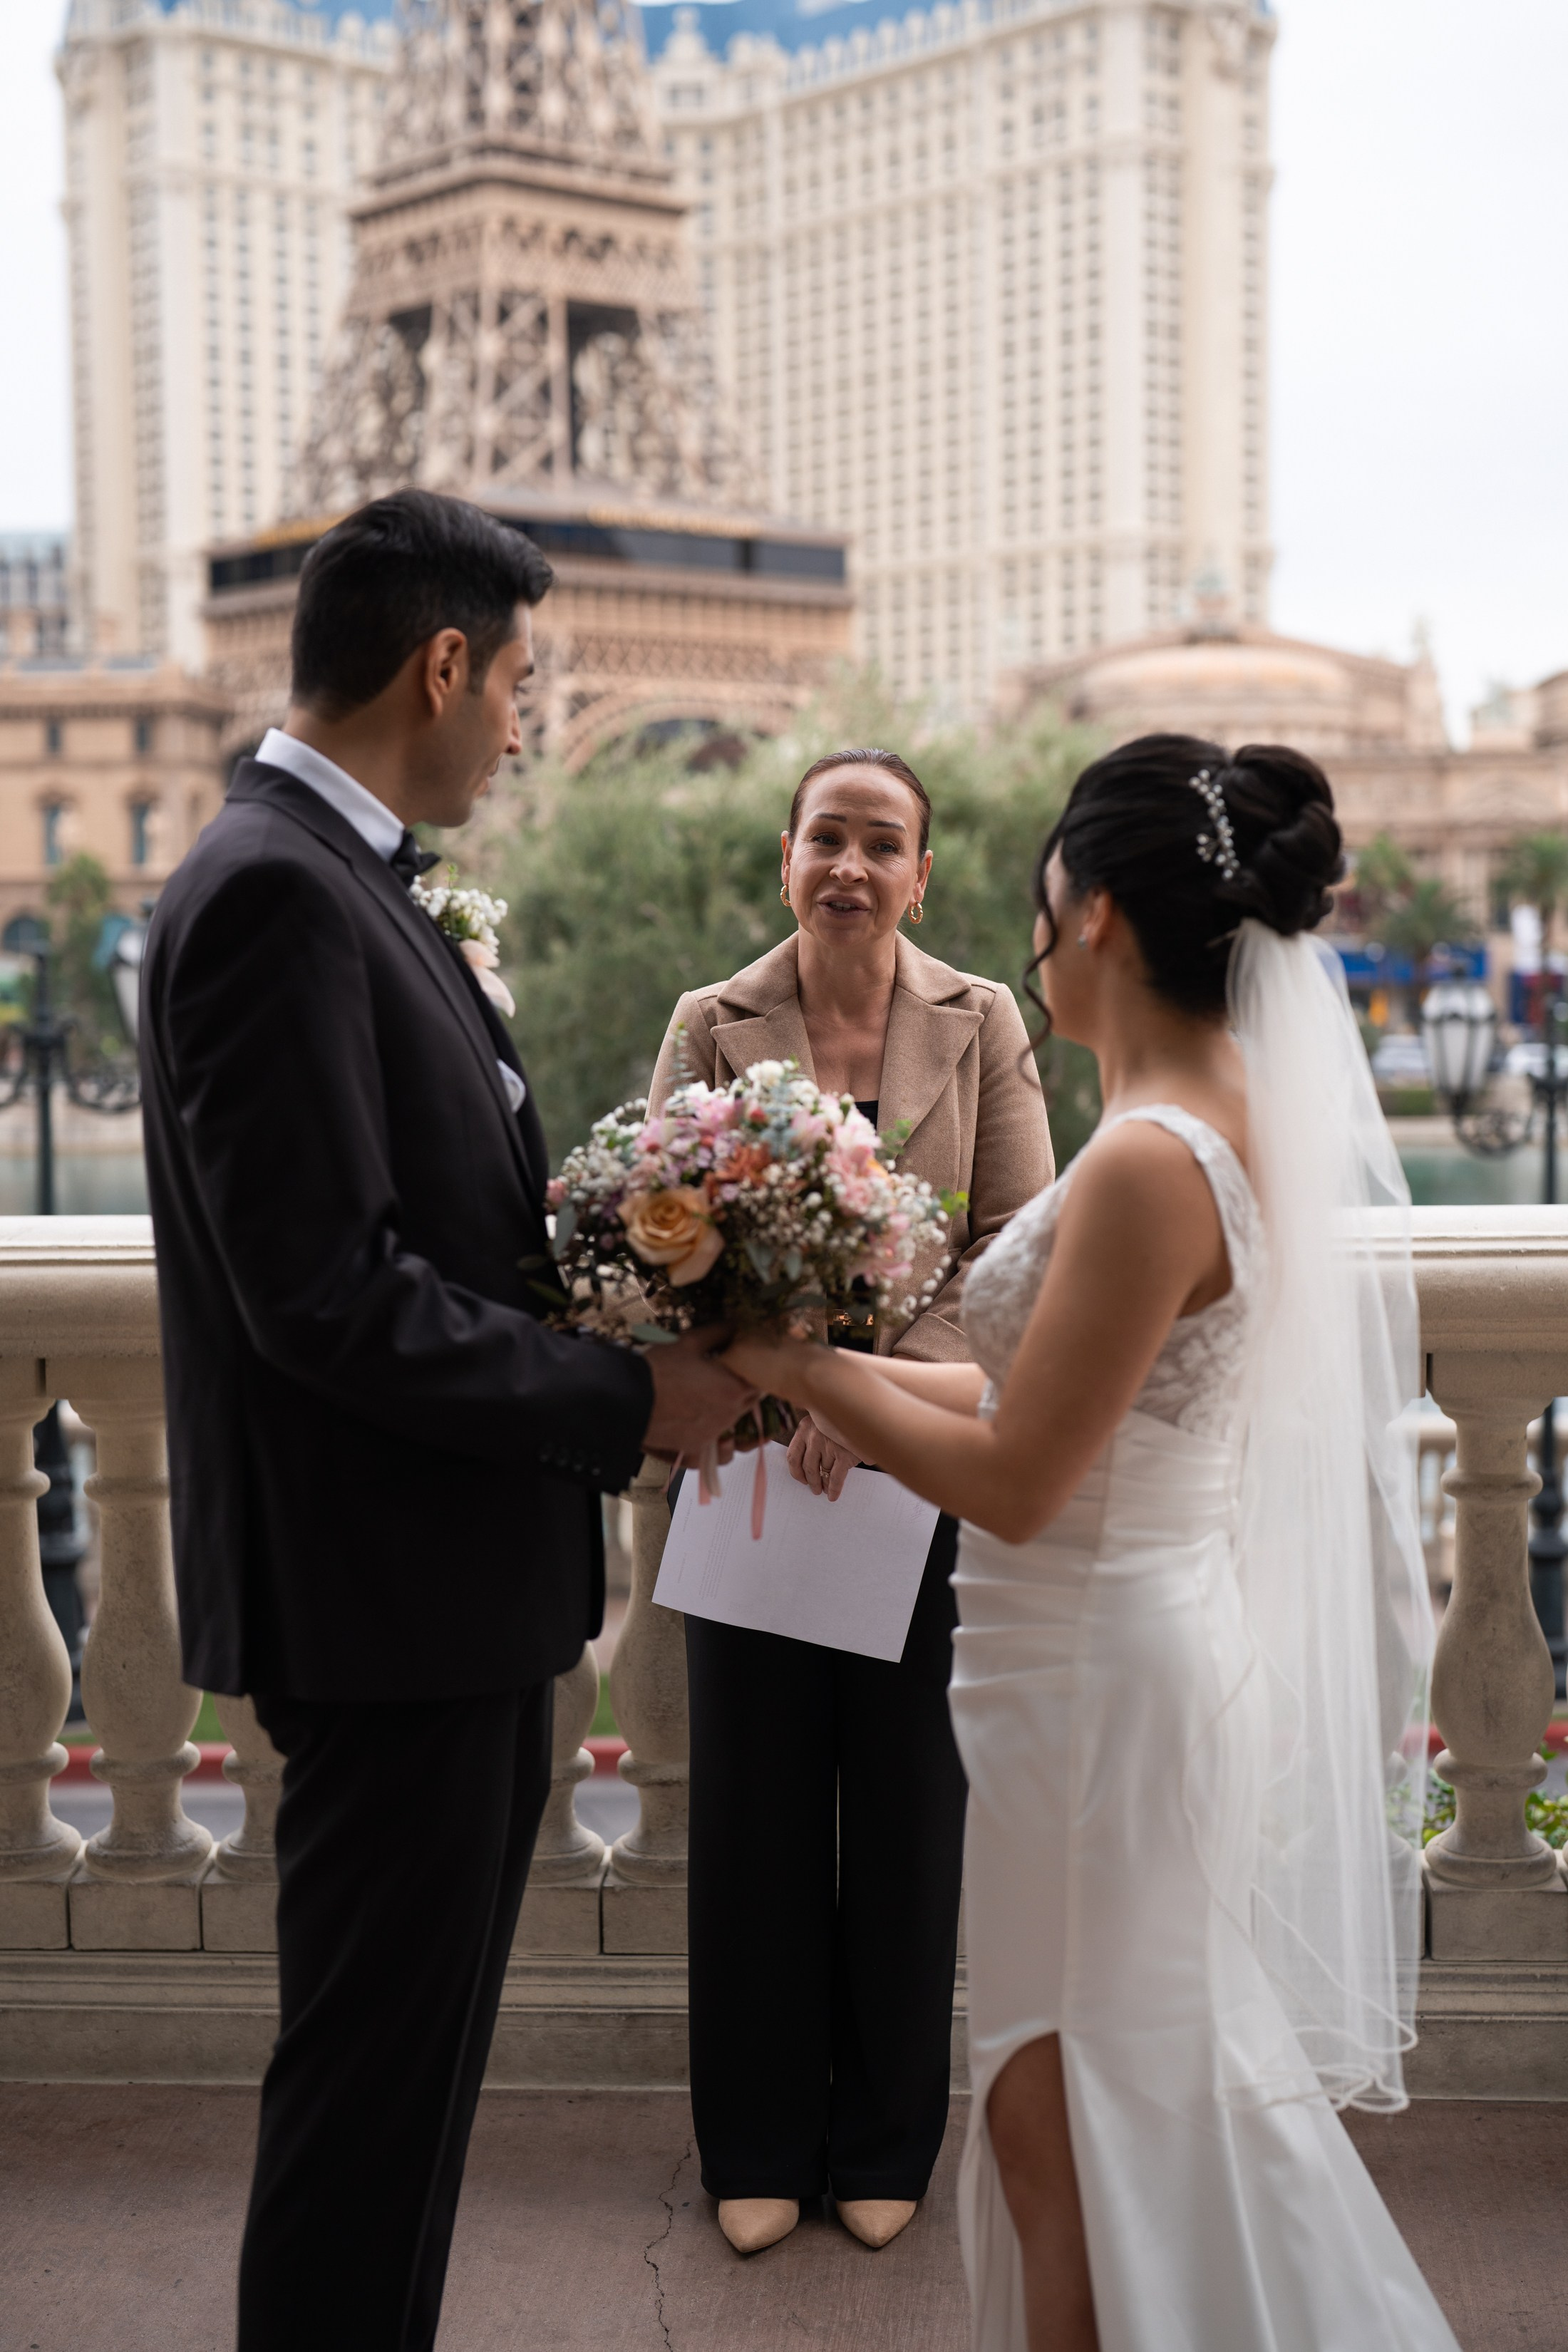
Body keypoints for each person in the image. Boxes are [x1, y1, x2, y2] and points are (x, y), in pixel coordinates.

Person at [723, 736, 1460, 2351]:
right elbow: (1047, 1386)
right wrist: (813, 1347)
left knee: (1077, 2101)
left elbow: (1017, 1473)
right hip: (1115, 1647)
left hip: (1095, 1678)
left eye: (1042, 907)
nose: (1032, 940)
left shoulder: (1145, 1157)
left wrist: (780, 1357)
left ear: (1104, 916)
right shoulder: (1210, 1114)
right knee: (1095, 2095)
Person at [139, 488, 754, 2352]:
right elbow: (321, 1293)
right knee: (367, 2103)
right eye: (518, 685)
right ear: (444, 661)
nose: (522, 724)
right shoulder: (275, 892)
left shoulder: (331, 878)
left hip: (432, 1589)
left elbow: (412, 1229)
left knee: (401, 2097)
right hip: (390, 1601)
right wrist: (626, 1390)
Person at [646, 748, 1052, 2258]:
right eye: (827, 836)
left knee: (904, 1819)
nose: (851, 867)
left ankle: (883, 2139)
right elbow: (655, 1239)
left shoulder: (984, 1019)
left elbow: (1016, 1257)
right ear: (784, 855)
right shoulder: (709, 1021)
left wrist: (864, 1397)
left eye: (882, 843)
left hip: (922, 1480)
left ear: (921, 874)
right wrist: (788, 1389)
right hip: (750, 1476)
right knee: (749, 1819)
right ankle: (751, 2141)